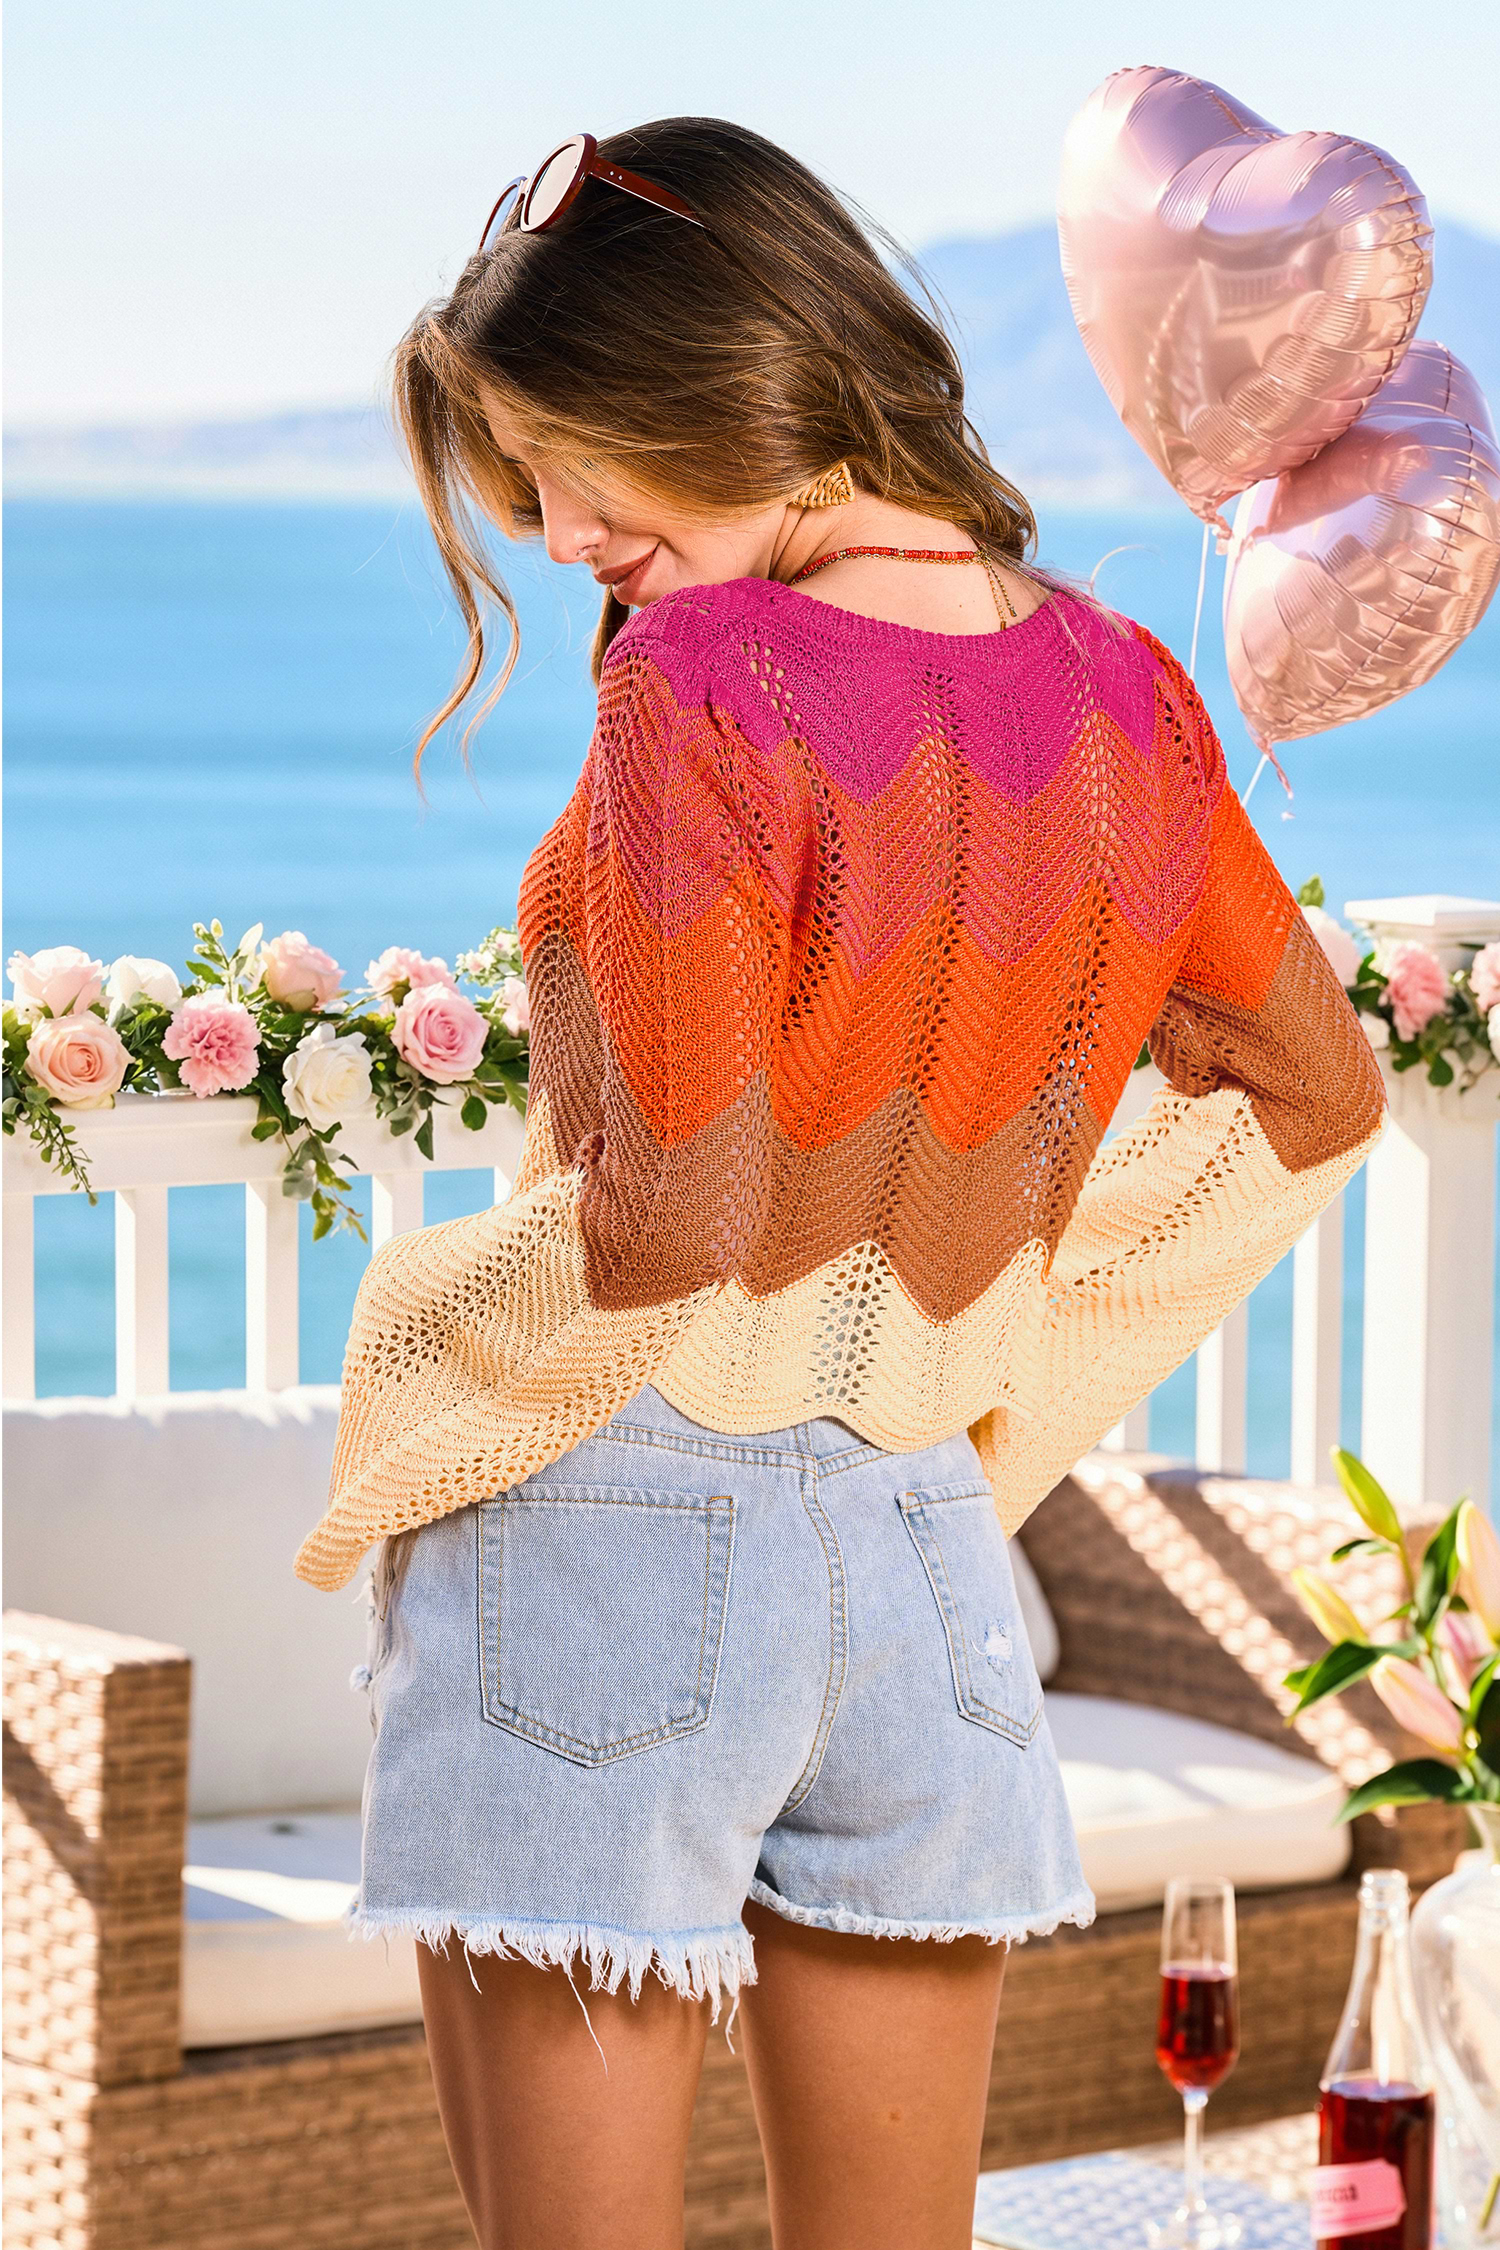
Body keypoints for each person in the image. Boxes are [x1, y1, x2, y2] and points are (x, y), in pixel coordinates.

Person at [297, 118, 1385, 2250]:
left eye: (574, 462)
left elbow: (679, 1212)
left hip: (605, 1524)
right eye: (525, 482)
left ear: (726, 377)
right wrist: (995, 1339)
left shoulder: (702, 681)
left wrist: (425, 1332)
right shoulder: (1126, 690)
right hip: (916, 1544)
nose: (558, 534)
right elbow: (1313, 1090)